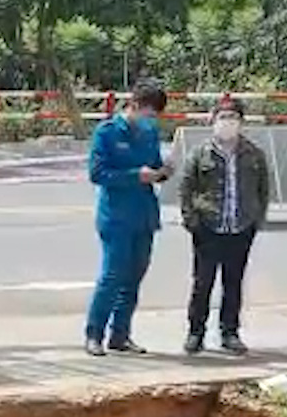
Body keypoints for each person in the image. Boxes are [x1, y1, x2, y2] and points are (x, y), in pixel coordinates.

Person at [179, 96, 270, 356]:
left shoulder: (254, 154)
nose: (227, 123)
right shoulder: (200, 153)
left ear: (241, 122)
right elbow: (186, 188)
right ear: (213, 120)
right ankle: (196, 332)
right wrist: (192, 221)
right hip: (208, 227)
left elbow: (263, 189)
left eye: (233, 118)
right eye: (223, 117)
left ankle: (230, 332)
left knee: (234, 282)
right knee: (202, 283)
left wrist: (256, 220)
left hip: (241, 228)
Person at [84, 81, 169, 356]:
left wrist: (163, 171)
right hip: (116, 215)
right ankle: (94, 333)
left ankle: (120, 334)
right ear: (134, 105)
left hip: (143, 213)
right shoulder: (107, 132)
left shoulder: (149, 132)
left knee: (134, 276)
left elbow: (154, 165)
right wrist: (135, 176)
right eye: (148, 113)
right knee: (112, 275)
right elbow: (97, 174)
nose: (151, 119)